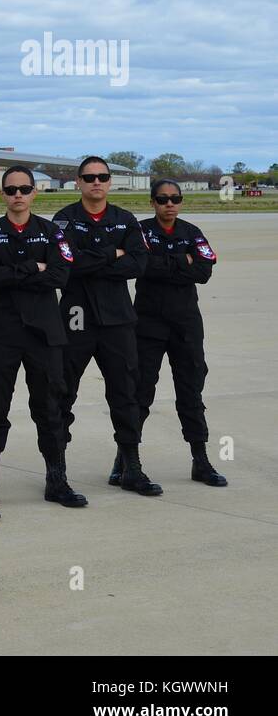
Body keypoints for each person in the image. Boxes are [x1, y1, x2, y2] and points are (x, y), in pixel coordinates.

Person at [0, 166, 86, 507]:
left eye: (24, 189)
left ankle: (57, 480)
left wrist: (18, 273)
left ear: (35, 192)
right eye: (11, 190)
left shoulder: (52, 233)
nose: (18, 195)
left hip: (45, 333)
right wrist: (31, 268)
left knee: (50, 408)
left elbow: (59, 275)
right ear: (2, 194)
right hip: (4, 333)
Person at [53, 156, 158, 495]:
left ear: (110, 182)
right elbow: (67, 265)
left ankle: (131, 466)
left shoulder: (125, 220)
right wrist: (112, 254)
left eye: (102, 177)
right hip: (77, 318)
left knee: (126, 393)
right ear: (78, 183)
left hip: (117, 319)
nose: (96, 182)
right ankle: (57, 472)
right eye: (89, 177)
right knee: (62, 393)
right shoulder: (65, 219)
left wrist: (93, 261)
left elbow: (138, 264)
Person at [135, 180, 226, 487]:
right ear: (153, 203)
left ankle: (200, 461)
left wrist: (166, 264)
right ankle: (126, 461)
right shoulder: (141, 231)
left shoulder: (191, 232)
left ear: (181, 202)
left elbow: (204, 271)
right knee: (139, 393)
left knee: (191, 393)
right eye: (162, 199)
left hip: (186, 325)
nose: (169, 204)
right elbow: (141, 267)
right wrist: (181, 261)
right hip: (147, 325)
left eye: (175, 198)